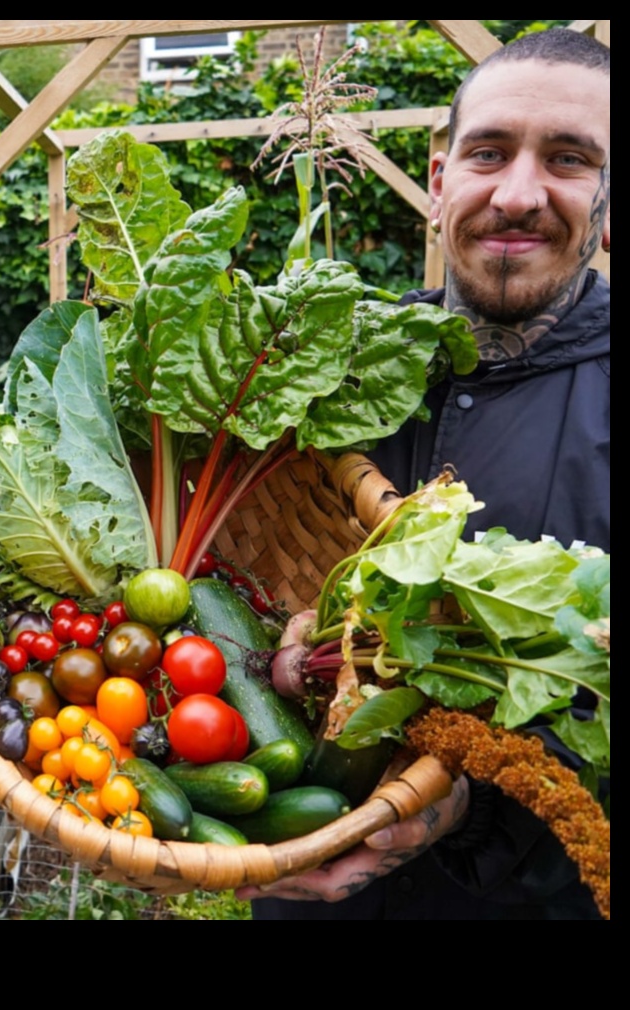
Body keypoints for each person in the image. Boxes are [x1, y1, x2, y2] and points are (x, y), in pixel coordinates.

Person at [242, 27, 610, 920]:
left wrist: (466, 808)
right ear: (439, 182)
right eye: (489, 152)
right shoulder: (326, 369)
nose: (517, 194)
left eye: (568, 159)